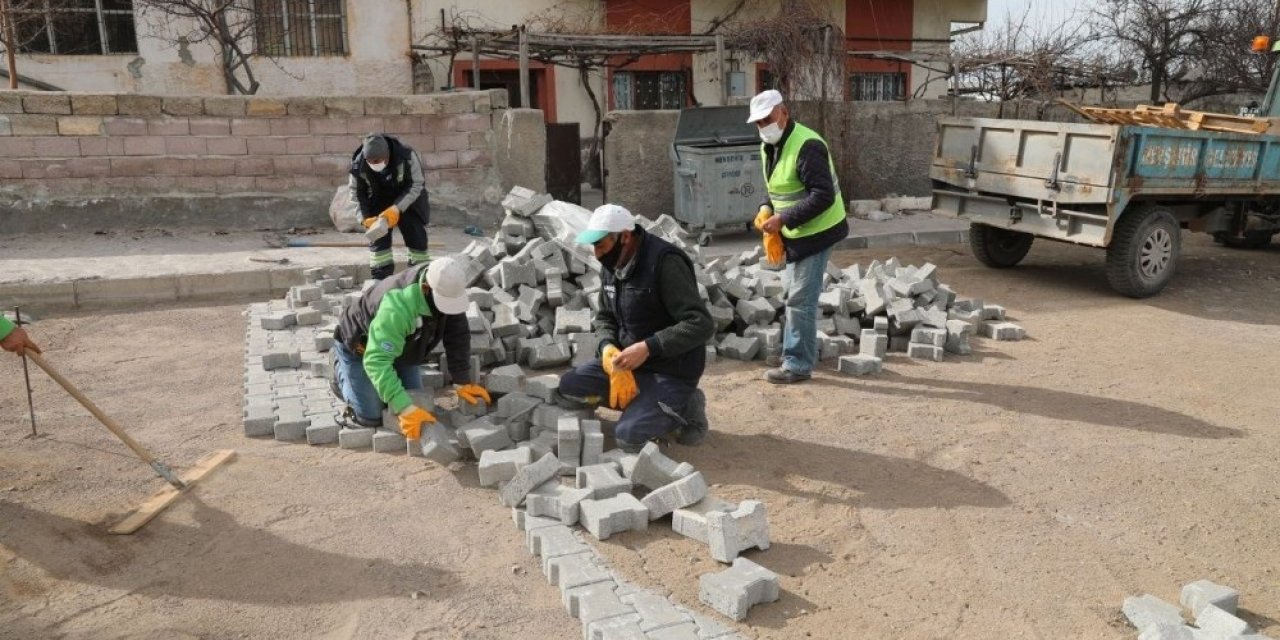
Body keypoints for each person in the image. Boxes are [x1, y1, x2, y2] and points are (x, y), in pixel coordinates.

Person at [556, 204, 716, 452]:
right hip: (627, 364)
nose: (597, 254)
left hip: (670, 371)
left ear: (625, 236)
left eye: (601, 245)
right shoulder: (613, 266)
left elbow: (701, 323)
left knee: (629, 437)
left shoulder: (665, 263)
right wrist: (607, 346)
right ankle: (647, 404)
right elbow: (606, 317)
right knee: (569, 387)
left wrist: (649, 347)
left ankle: (684, 405)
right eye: (594, 246)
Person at [747, 89, 850, 384]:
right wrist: (766, 207)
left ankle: (797, 364)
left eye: (767, 119)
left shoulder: (807, 145)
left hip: (818, 231)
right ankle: (793, 352)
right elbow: (775, 184)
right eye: (758, 122)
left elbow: (823, 196)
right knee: (793, 293)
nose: (763, 126)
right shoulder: (770, 144)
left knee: (800, 299)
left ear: (784, 113)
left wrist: (783, 219)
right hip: (796, 232)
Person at [330, 256, 490, 440]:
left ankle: (388, 372)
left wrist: (462, 381)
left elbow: (458, 334)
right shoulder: (397, 306)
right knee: (371, 415)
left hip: (403, 346)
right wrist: (405, 409)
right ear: (426, 288)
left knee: (417, 401)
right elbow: (376, 361)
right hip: (361, 347)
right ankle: (339, 368)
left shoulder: (447, 286)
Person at [349, 133, 432, 280]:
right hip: (378, 199)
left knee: (416, 235)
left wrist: (396, 208)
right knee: (378, 242)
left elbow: (416, 184)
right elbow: (357, 194)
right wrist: (364, 218)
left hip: (407, 200)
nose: (374, 164)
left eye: (378, 161)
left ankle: (419, 277)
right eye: (371, 161)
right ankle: (381, 280)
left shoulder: (406, 156)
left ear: (387, 156)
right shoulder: (358, 165)